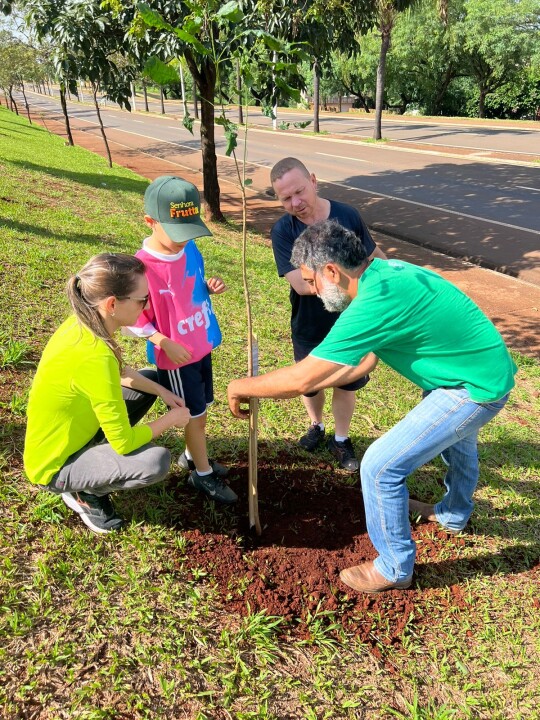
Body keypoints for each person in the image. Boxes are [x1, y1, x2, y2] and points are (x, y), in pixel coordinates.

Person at [228, 220, 517, 593]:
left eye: (311, 281)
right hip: (474, 372)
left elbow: (303, 380)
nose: (312, 292)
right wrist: (319, 378)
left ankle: (395, 568)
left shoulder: (372, 303)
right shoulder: (383, 273)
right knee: (459, 445)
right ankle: (453, 515)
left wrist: (241, 386)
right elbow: (361, 362)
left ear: (331, 270)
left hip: (471, 388)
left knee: (380, 467)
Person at [24, 253, 192, 534]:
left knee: (148, 380)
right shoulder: (95, 356)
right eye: (142, 300)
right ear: (112, 304)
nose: (147, 306)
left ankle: (92, 457)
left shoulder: (84, 324)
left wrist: (161, 391)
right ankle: (82, 492)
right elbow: (124, 442)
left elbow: (122, 373)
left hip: (76, 435)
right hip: (53, 465)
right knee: (155, 461)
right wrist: (172, 419)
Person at [124, 175, 237, 505]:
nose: (183, 241)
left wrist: (208, 286)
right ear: (150, 221)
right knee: (192, 414)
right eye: (177, 233)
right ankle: (202, 475)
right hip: (176, 356)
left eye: (189, 232)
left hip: (199, 343)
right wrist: (162, 341)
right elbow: (134, 321)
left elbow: (190, 287)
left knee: (202, 408)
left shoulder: (189, 250)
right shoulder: (141, 268)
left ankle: (192, 456)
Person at [270, 157, 386, 472]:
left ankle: (341, 437)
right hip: (309, 323)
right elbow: (301, 284)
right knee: (310, 383)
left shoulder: (348, 215)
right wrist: (353, 281)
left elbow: (375, 258)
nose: (295, 203)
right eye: (286, 199)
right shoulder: (282, 230)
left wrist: (389, 279)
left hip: (352, 321)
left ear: (314, 181)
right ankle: (316, 425)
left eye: (299, 192)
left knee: (346, 383)